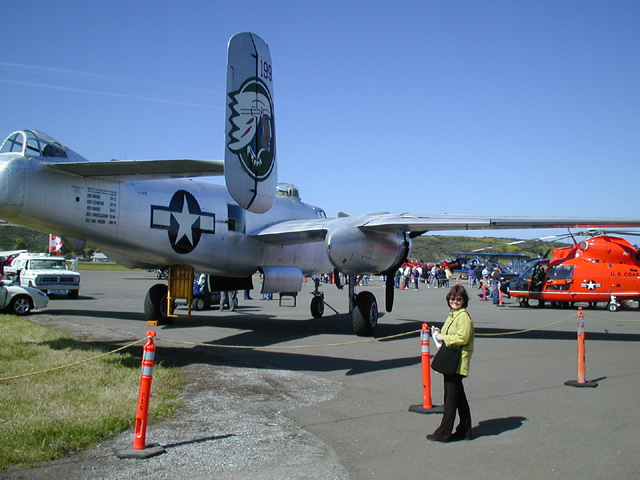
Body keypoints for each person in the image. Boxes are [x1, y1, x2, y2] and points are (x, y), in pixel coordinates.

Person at [428, 284, 475, 443]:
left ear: (464, 301)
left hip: (456, 361)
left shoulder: (463, 316)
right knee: (459, 397)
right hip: (452, 360)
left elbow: (463, 338)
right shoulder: (453, 314)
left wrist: (443, 338)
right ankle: (465, 430)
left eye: (459, 299)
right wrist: (439, 333)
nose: (455, 301)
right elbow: (452, 334)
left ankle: (443, 432)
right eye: (453, 299)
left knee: (451, 399)